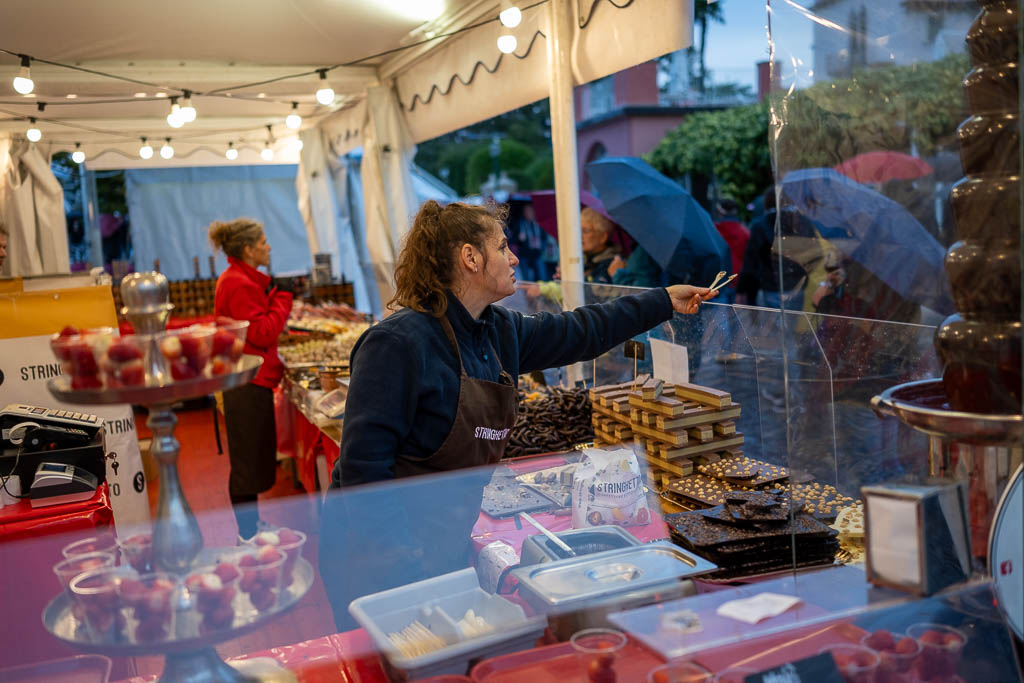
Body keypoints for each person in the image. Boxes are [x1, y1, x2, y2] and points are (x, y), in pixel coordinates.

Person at [319, 200, 713, 629]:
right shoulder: (396, 344)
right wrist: (408, 575)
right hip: (377, 557)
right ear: (470, 257)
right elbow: (364, 472)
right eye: (503, 246)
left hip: (442, 539)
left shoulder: (498, 329)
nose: (514, 257)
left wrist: (662, 302)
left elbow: (581, 330)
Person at [208, 218, 294, 541]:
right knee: (247, 464)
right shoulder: (238, 282)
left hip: (249, 379)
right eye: (263, 241)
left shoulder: (239, 278)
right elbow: (262, 332)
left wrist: (272, 295)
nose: (268, 246)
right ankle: (246, 535)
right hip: (247, 382)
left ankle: (251, 526)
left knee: (251, 457)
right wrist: (283, 299)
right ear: (248, 248)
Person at [736, 187, 817, 309]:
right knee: (790, 325)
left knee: (770, 326)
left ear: (766, 203)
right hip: (796, 287)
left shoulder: (761, 225)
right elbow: (814, 252)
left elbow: (750, 261)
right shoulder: (803, 223)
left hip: (770, 286)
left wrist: (741, 290)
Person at [714, 198, 750, 285]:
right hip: (738, 278)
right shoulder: (745, 233)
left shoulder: (713, 230)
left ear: (720, 212)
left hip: (717, 278)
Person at [581, 207, 620, 283]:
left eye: (585, 231)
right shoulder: (582, 261)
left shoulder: (612, 264)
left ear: (603, 237)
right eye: (578, 230)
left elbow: (597, 293)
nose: (579, 236)